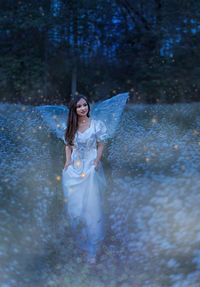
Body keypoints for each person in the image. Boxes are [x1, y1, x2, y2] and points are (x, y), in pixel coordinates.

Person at [62, 94, 108, 264]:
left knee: (91, 203)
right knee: (75, 203)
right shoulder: (71, 126)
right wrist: (68, 161)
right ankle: (77, 239)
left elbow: (100, 144)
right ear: (74, 109)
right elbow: (68, 145)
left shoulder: (96, 124)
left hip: (90, 165)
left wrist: (96, 161)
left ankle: (93, 246)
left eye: (85, 105)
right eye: (79, 106)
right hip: (75, 166)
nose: (83, 108)